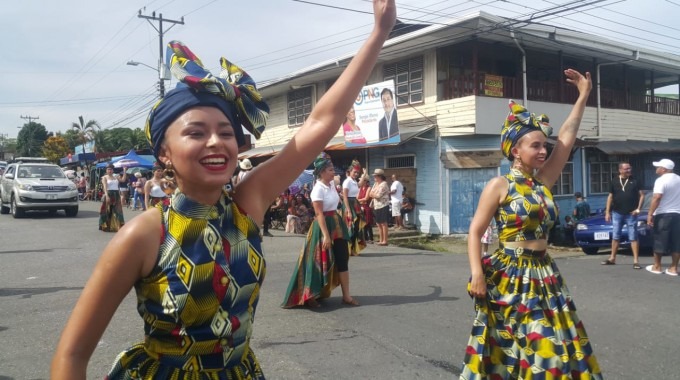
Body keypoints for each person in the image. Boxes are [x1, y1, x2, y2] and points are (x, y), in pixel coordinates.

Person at [51, 4, 396, 376]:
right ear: (164, 153)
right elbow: (72, 355)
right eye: (196, 132)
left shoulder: (247, 204)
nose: (216, 142)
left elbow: (320, 122)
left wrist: (379, 32)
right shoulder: (145, 234)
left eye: (226, 132)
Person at [461, 69, 602, 379]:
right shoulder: (499, 185)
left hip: (544, 273)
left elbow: (566, 138)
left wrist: (583, 97)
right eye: (536, 146)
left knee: (555, 349)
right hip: (509, 273)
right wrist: (476, 274)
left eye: (543, 146)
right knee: (518, 350)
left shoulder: (543, 183)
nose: (543, 151)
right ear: (515, 150)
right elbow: (474, 231)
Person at [282, 153, 361, 308]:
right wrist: (325, 235)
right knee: (316, 260)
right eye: (331, 170)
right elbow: (319, 213)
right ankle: (310, 295)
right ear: (322, 172)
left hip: (336, 224)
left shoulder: (331, 185)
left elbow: (341, 184)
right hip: (322, 225)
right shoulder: (317, 189)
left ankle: (346, 296)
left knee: (342, 258)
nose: (334, 172)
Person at [601, 162, 644, 268]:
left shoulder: (635, 180)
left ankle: (636, 261)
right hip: (617, 212)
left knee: (633, 236)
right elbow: (610, 197)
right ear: (620, 170)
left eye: (629, 168)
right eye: (626, 169)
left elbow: (642, 195)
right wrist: (607, 212)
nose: (629, 170)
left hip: (631, 213)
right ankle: (612, 258)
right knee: (615, 236)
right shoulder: (614, 181)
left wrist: (638, 209)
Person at [645, 159, 680, 276]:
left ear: (664, 169)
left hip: (664, 214)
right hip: (678, 214)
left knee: (659, 240)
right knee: (676, 241)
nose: (656, 169)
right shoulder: (679, 179)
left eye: (658, 167)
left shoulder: (661, 180)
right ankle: (673, 268)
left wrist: (650, 214)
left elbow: (657, 197)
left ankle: (657, 266)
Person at [342, 160, 367, 256]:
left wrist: (364, 174)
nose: (356, 174)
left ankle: (353, 248)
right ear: (350, 171)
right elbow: (344, 196)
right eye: (354, 172)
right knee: (350, 227)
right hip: (349, 204)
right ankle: (349, 249)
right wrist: (348, 211)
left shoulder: (353, 181)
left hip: (355, 203)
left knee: (356, 227)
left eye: (357, 172)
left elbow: (360, 184)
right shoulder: (347, 182)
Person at [98, 164, 126, 232]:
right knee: (108, 210)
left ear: (113, 170)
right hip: (109, 193)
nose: (109, 171)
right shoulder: (104, 177)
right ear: (106, 170)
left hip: (116, 194)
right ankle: (106, 226)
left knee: (118, 210)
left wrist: (124, 171)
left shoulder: (116, 176)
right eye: (108, 169)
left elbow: (123, 180)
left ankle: (118, 226)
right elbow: (105, 187)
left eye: (111, 169)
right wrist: (107, 195)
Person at [369, 168, 390, 245]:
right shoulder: (375, 184)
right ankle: (381, 239)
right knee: (378, 223)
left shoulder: (384, 184)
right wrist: (372, 194)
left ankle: (385, 240)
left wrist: (372, 194)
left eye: (375, 176)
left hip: (383, 205)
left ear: (379, 176)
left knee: (383, 223)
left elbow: (378, 195)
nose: (374, 178)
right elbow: (370, 193)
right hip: (377, 205)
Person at [357, 174, 374, 243]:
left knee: (368, 223)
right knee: (362, 223)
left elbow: (366, 198)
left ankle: (370, 238)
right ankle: (365, 238)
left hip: (367, 207)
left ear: (365, 181)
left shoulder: (368, 188)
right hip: (361, 206)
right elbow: (357, 197)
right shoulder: (360, 189)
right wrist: (360, 200)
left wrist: (359, 200)